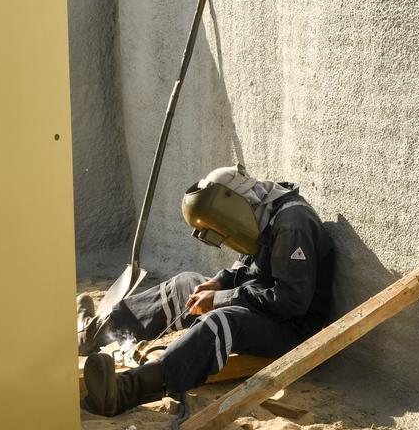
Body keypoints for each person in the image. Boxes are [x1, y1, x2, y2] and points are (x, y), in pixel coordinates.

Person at [79, 164, 334, 416]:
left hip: (293, 328)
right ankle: (94, 333)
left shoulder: (291, 225)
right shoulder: (264, 212)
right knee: (185, 285)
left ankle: (124, 391)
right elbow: (252, 271)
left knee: (221, 320)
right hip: (265, 308)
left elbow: (291, 302)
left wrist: (219, 299)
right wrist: (220, 282)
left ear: (234, 204)